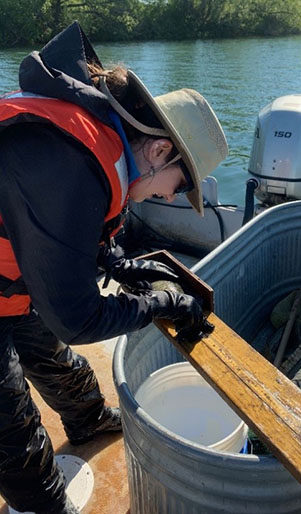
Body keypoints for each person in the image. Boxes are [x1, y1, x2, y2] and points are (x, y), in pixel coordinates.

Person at [0, 21, 228, 514]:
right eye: (176, 185)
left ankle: (86, 420)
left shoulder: (92, 140)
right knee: (12, 427)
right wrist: (158, 302)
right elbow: (78, 317)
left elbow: (62, 233)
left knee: (54, 356)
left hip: (12, 279)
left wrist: (123, 266)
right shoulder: (71, 164)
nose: (168, 196)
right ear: (160, 150)